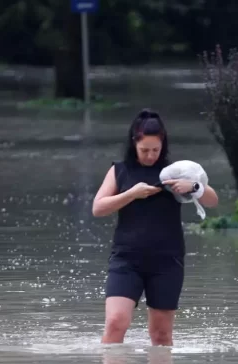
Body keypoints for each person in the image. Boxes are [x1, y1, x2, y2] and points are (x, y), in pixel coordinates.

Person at [92, 109, 219, 346]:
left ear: (163, 145)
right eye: (144, 150)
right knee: (115, 323)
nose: (150, 156)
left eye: (155, 150)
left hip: (166, 262)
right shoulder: (120, 170)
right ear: (134, 144)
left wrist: (193, 187)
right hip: (126, 260)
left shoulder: (175, 172)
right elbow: (98, 208)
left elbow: (213, 201)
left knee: (161, 336)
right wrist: (131, 194)